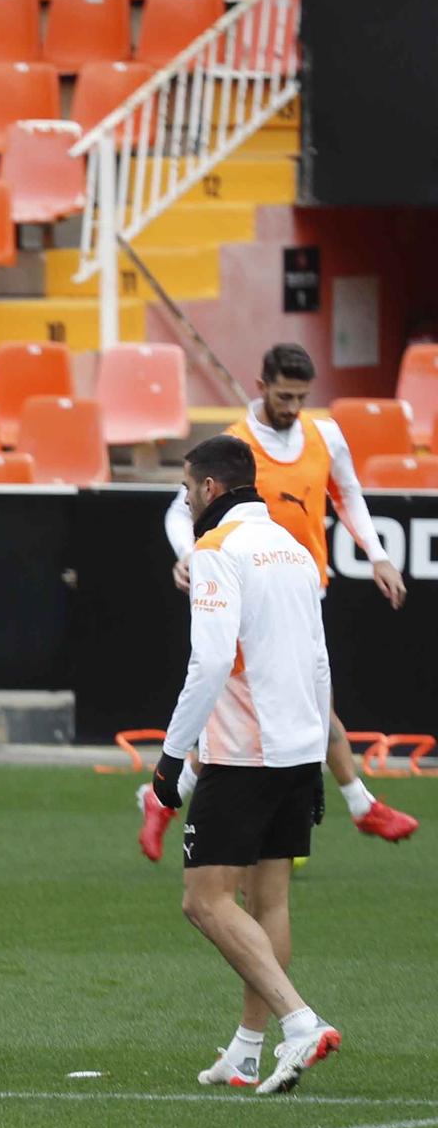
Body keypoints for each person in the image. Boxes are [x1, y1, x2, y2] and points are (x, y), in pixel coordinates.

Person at [140, 343, 417, 858]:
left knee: (300, 707)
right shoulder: (234, 446)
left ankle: (166, 799)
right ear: (261, 386)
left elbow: (347, 493)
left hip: (303, 588)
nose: (292, 407)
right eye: (285, 395)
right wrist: (192, 554)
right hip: (246, 588)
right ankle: (356, 804)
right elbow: (180, 511)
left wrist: (376, 554)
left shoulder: (323, 435)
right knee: (274, 713)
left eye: (301, 397)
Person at [152, 435, 341, 1095]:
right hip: (296, 748)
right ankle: (248, 1050)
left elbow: (208, 661)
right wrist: (317, 757)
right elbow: (320, 659)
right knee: (270, 900)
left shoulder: (215, 551)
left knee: (204, 901)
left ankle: (300, 1021)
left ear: (208, 489)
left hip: (244, 753)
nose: (186, 499)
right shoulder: (293, 547)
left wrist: (172, 758)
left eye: (185, 489)